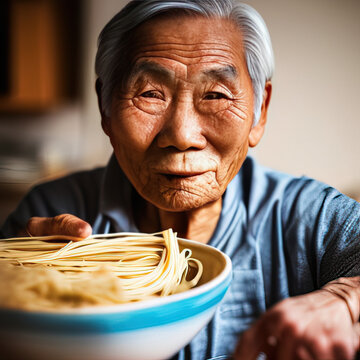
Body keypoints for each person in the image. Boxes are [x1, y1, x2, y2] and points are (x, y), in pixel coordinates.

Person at [1, 0, 360, 358]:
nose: (182, 134)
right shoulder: (51, 211)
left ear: (259, 111)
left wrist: (345, 299)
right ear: (105, 109)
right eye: (150, 94)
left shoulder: (313, 218)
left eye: (217, 94)